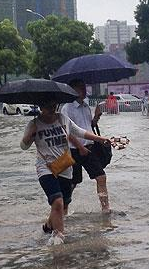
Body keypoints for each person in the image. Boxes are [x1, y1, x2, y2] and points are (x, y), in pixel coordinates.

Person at [21, 99, 111, 246]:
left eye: (53, 105)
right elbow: (23, 146)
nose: (51, 108)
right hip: (45, 168)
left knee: (62, 205)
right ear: (41, 107)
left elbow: (80, 132)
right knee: (57, 201)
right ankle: (59, 237)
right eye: (47, 106)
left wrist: (101, 139)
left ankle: (48, 226)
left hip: (65, 167)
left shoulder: (63, 119)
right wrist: (29, 135)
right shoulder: (34, 124)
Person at [61, 80, 111, 214]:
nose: (84, 90)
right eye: (80, 88)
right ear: (73, 91)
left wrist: (96, 116)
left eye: (84, 88)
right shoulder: (67, 108)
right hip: (74, 150)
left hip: (90, 148)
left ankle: (105, 209)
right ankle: (63, 210)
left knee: (101, 177)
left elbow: (89, 126)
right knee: (72, 182)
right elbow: (68, 132)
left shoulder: (86, 106)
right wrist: (80, 147)